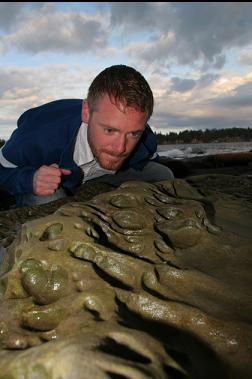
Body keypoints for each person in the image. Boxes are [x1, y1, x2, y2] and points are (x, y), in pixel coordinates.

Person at [0, 64, 173, 207]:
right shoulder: (39, 136)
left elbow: (151, 162)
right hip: (47, 181)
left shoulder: (145, 138)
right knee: (52, 204)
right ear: (86, 113)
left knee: (163, 176)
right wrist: (30, 179)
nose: (120, 148)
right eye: (110, 130)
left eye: (133, 133)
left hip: (99, 178)